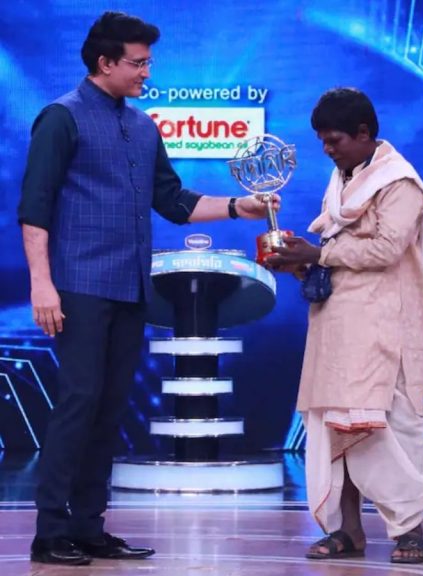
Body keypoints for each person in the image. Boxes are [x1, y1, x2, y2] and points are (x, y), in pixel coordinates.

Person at [17, 11, 278, 566]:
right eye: (137, 63)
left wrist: (241, 207)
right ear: (104, 62)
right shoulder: (60, 118)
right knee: (79, 402)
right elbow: (34, 208)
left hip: (131, 287)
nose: (146, 72)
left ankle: (89, 527)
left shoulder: (142, 126)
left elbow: (174, 202)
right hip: (79, 286)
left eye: (148, 62)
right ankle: (51, 530)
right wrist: (42, 284)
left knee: (110, 407)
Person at [264, 87, 423, 565]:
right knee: (332, 426)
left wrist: (319, 252)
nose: (328, 149)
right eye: (323, 141)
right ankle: (346, 531)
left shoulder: (400, 182)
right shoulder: (343, 179)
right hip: (336, 322)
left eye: (335, 140)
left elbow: (386, 249)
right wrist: (301, 262)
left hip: (386, 324)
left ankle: (409, 531)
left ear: (364, 133)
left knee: (390, 428)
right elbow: (339, 255)